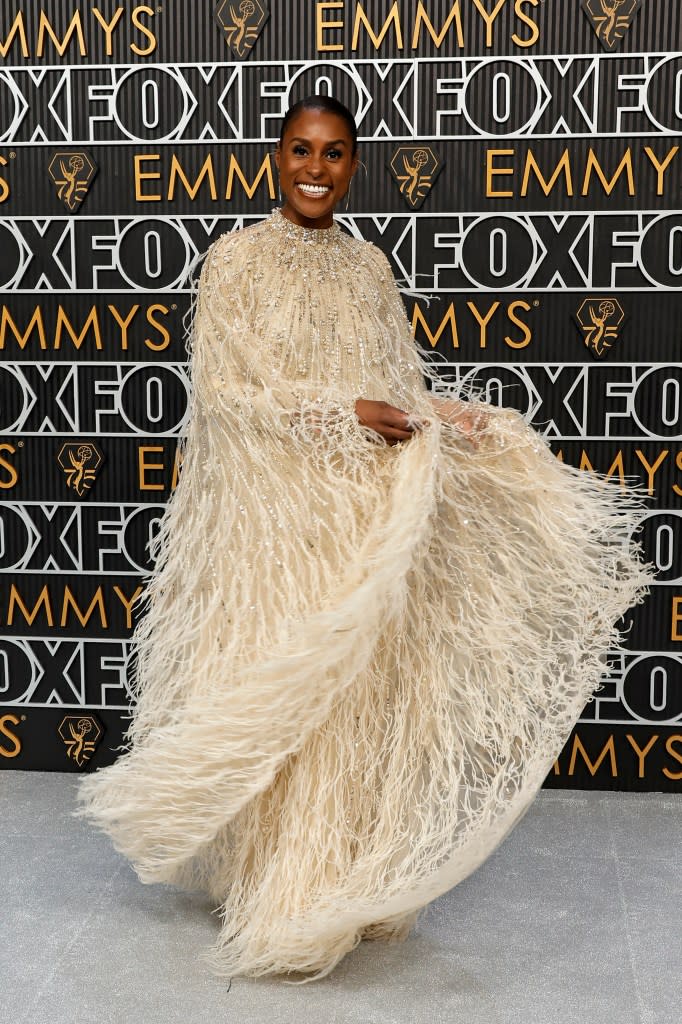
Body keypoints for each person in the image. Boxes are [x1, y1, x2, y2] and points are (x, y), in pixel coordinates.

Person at [76, 95, 652, 984]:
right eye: (301, 150)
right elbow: (230, 396)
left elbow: (395, 382)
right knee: (287, 684)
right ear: (276, 158)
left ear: (354, 166)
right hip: (273, 529)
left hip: (357, 517)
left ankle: (331, 872)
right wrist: (342, 411)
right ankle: (277, 882)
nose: (316, 168)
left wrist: (443, 418)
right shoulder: (234, 263)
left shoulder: (372, 268)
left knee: (349, 701)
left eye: (335, 153)